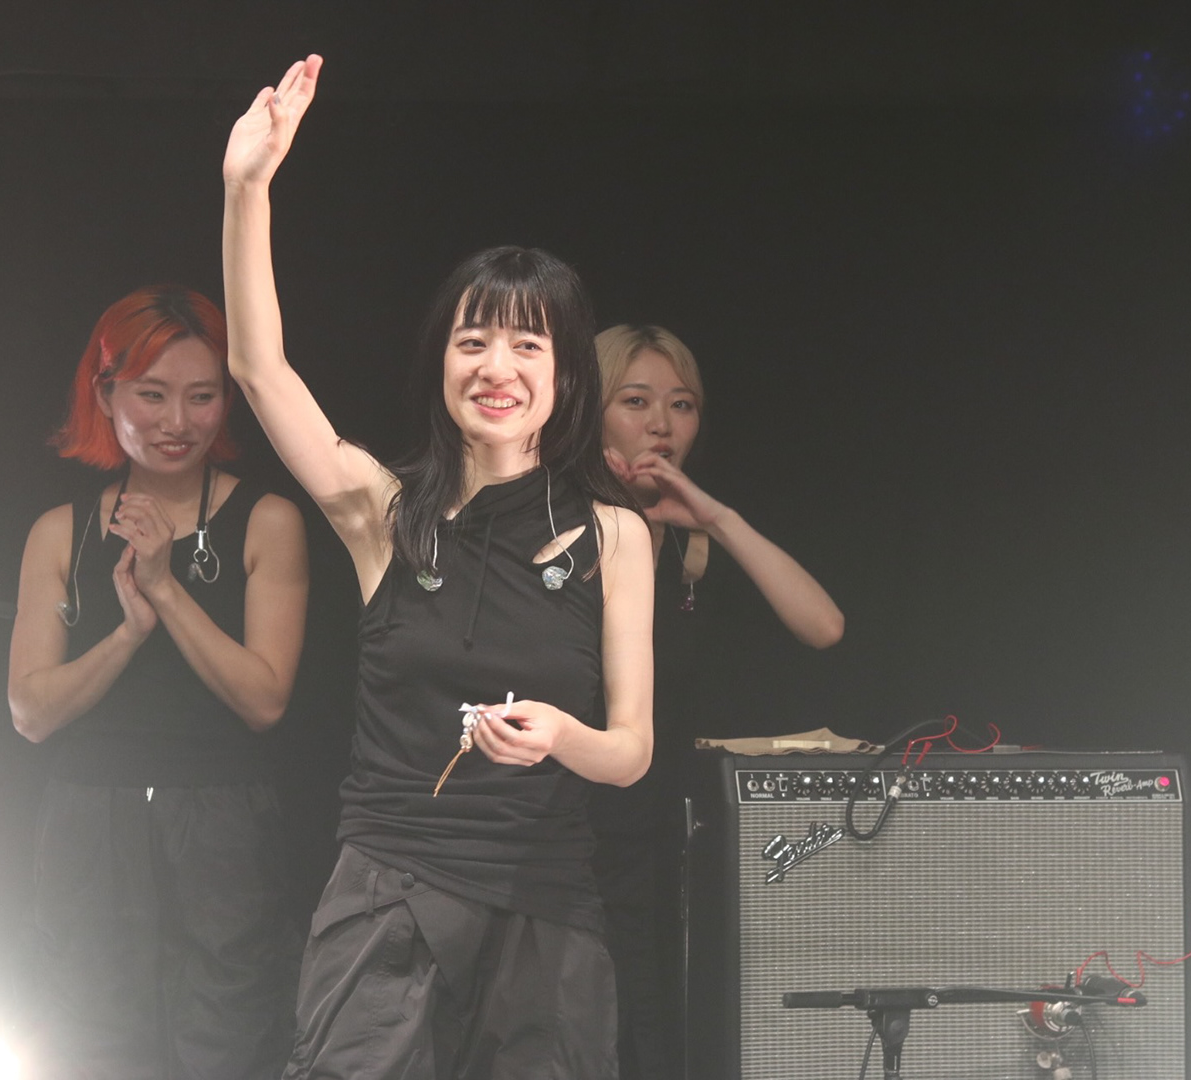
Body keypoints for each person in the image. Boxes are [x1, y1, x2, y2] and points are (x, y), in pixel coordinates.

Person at [220, 56, 654, 1080]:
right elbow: (258, 369)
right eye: (473, 342)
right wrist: (247, 189)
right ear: (444, 360)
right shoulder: (384, 511)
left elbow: (632, 750)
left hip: (543, 905)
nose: (496, 368)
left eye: (528, 348)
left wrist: (561, 735)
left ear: (565, 377)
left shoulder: (614, 534)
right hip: (388, 895)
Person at [6, 284, 310, 1080]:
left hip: (223, 819)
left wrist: (167, 590)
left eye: (202, 396)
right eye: (152, 395)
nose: (178, 421)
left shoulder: (268, 520)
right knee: (88, 1045)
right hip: (88, 816)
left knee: (230, 1039)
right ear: (105, 394)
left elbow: (265, 700)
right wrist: (127, 633)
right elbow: (30, 711)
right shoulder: (60, 531)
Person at [591, 323, 844, 1079]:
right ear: (589, 411)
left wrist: (717, 521)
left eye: (682, 405)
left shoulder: (690, 542)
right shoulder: (557, 526)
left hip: (668, 834)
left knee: (668, 1032)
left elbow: (825, 626)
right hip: (573, 834)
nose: (661, 426)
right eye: (635, 402)